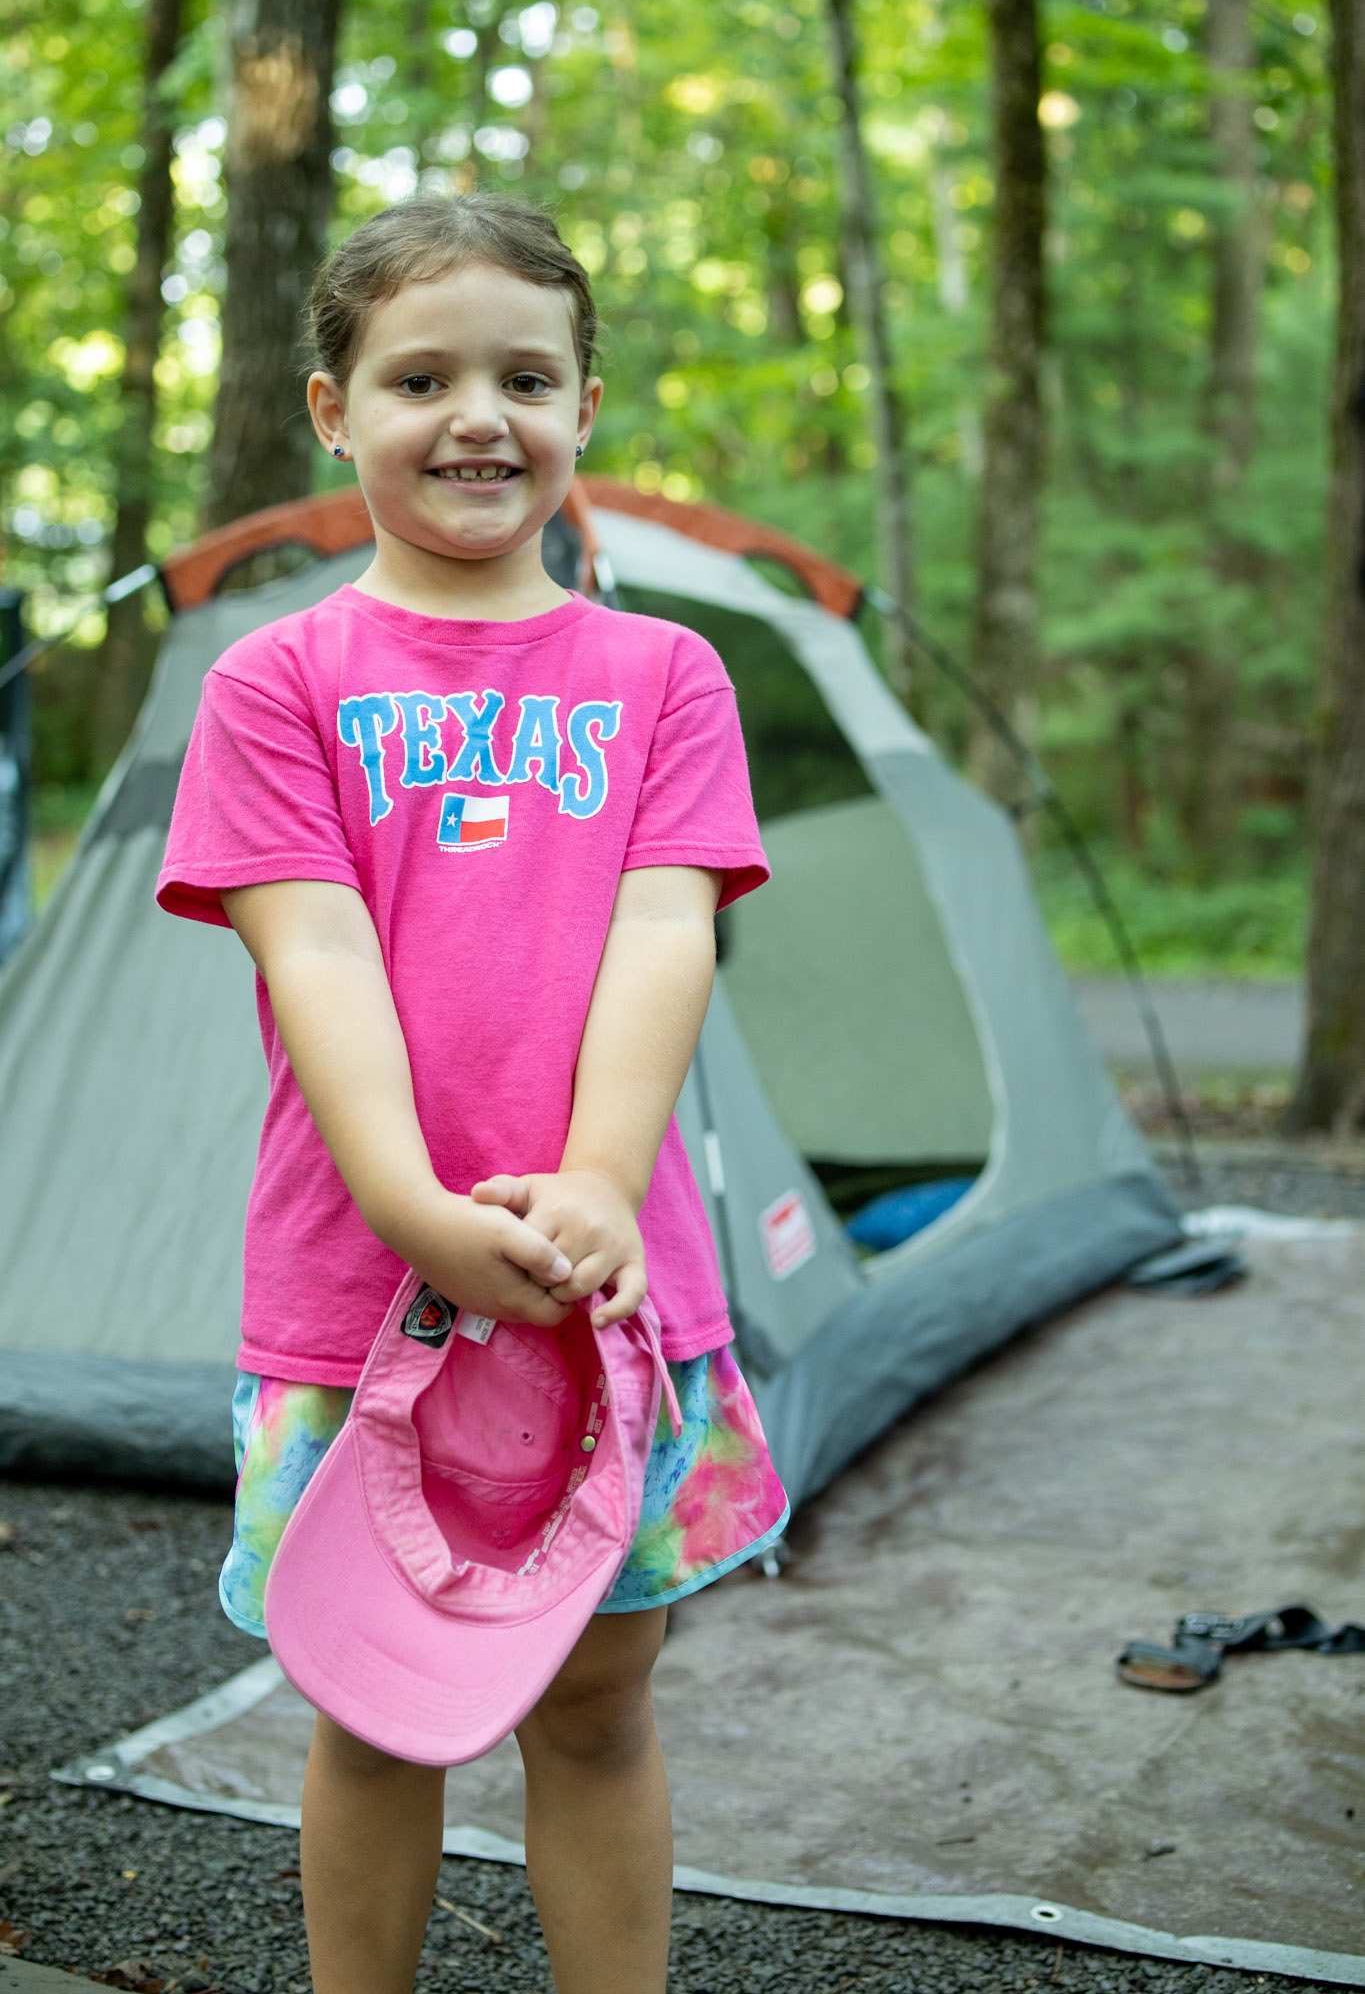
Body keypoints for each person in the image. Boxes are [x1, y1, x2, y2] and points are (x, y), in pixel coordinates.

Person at [156, 191, 789, 1994]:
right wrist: (413, 1207)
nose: (479, 416)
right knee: (376, 1711)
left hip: (613, 1293)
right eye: (420, 376)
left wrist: (595, 1178)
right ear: (331, 411)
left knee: (595, 1706)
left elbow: (666, 935)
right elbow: (318, 955)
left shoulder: (664, 675)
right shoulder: (274, 682)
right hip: (358, 1298)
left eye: (527, 374)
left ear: (588, 403)